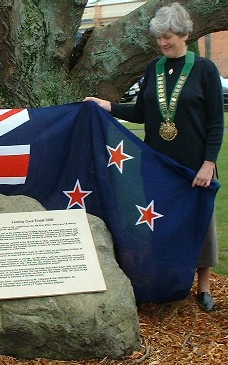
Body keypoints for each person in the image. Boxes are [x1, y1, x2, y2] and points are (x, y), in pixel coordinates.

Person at [85, 2, 224, 312]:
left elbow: (216, 122)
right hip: (158, 166)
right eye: (159, 38)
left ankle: (203, 288)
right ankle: (166, 280)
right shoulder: (154, 69)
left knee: (201, 226)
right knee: (157, 225)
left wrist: (208, 163)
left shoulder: (204, 69)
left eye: (169, 37)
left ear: (185, 35)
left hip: (194, 168)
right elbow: (141, 112)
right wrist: (107, 107)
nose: (163, 43)